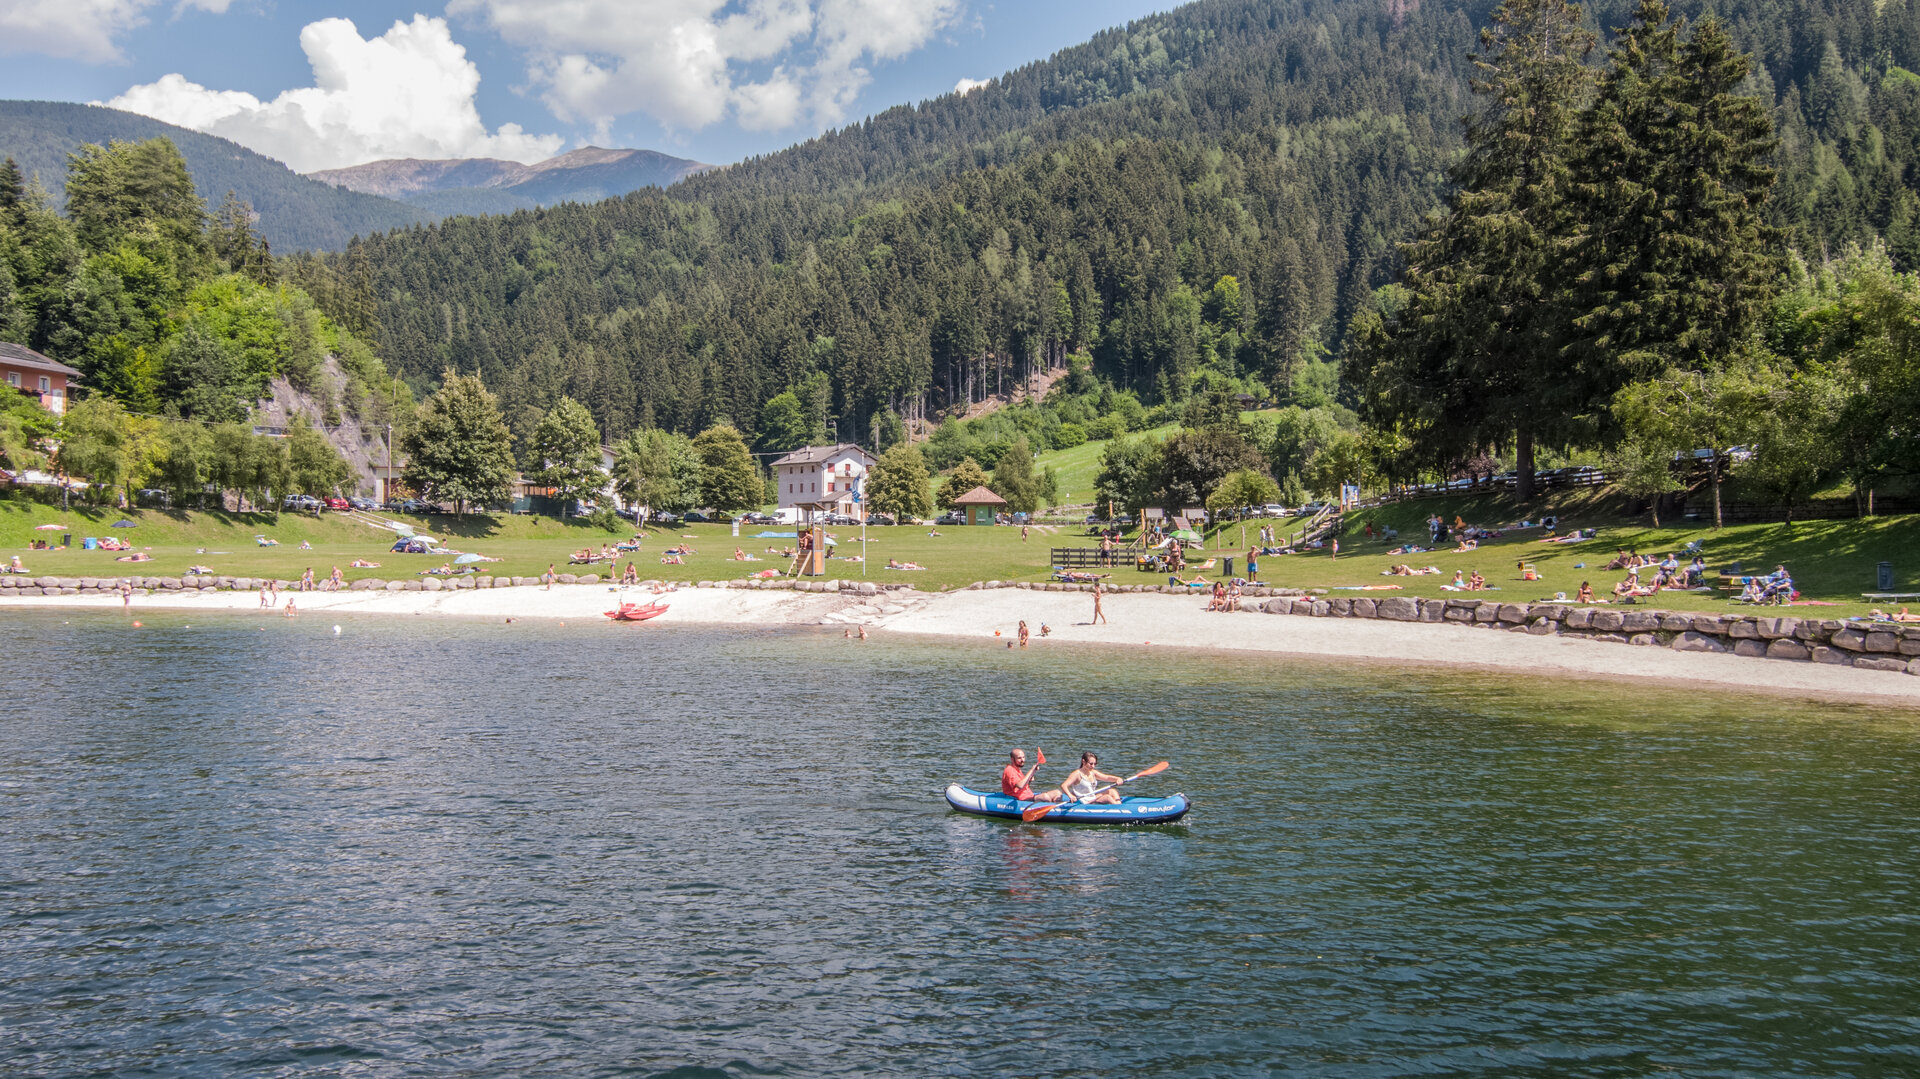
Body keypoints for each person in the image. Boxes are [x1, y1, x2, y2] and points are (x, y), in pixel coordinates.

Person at [1059, 752, 1124, 805]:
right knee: (1107, 797)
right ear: (1083, 762)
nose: (1093, 766)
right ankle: (1118, 809)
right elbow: (1063, 785)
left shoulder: (1093, 772)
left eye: (1095, 764)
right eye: (1091, 764)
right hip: (1083, 801)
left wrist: (1117, 779)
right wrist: (1070, 796)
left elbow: (1106, 777)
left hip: (1092, 798)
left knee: (1112, 791)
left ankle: (1119, 804)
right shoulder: (1077, 774)